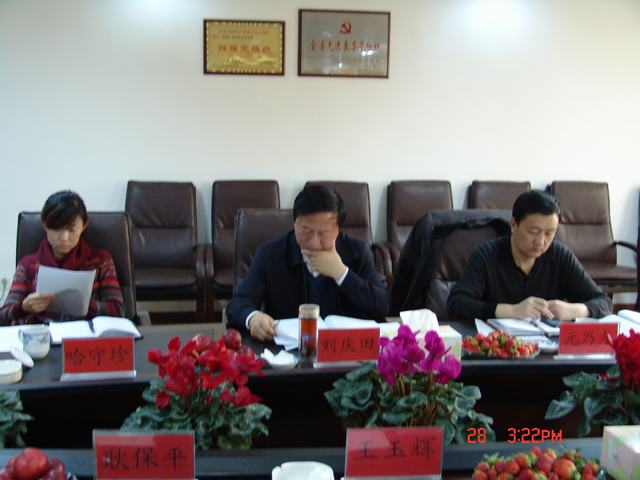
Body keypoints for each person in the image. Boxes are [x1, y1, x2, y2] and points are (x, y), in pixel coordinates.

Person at [226, 185, 389, 341]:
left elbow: (382, 306)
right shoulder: (270, 254)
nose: (314, 242)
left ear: (338, 229)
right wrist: (253, 318)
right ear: (294, 223)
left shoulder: (357, 252)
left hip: (345, 349)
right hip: (289, 350)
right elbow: (237, 304)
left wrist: (341, 273)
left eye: (323, 233)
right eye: (306, 231)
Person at [447, 189, 612, 321]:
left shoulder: (560, 255)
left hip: (547, 347)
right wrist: (513, 310)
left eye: (549, 233)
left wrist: (574, 310)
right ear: (514, 224)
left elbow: (603, 302)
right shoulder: (486, 255)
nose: (541, 241)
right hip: (498, 345)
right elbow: (456, 303)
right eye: (533, 231)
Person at [0, 190, 125, 325]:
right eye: (57, 229)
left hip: (85, 333)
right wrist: (24, 307)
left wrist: (84, 305)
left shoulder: (101, 261)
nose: (64, 238)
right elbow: (4, 314)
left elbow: (118, 311)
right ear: (44, 224)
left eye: (72, 230)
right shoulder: (28, 265)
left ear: (84, 225)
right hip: (43, 333)